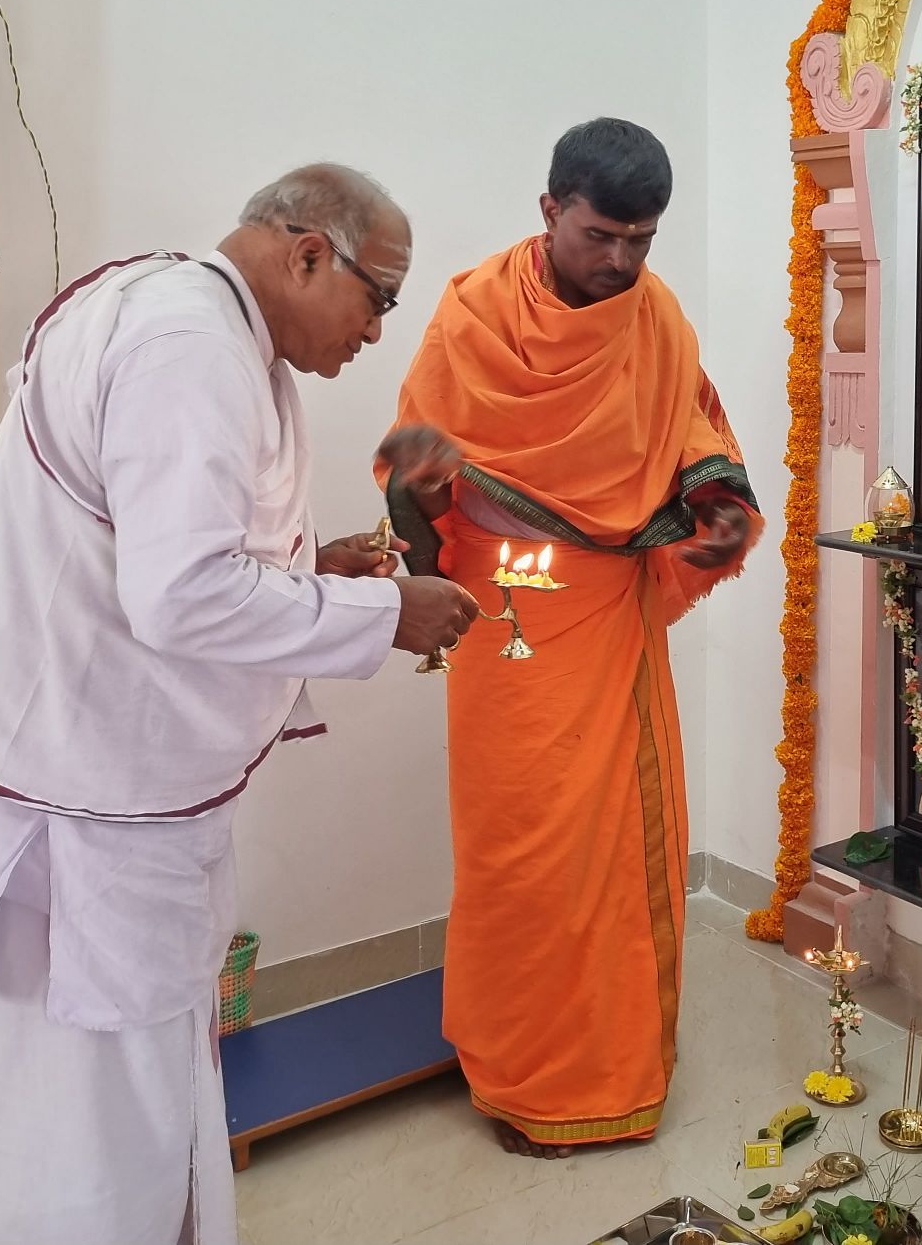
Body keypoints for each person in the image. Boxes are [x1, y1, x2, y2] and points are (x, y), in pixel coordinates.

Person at [0, 165, 480, 1245]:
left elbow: (149, 534)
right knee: (76, 1122)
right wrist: (383, 621)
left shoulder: (188, 313)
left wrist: (311, 563)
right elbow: (180, 592)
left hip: (64, 771)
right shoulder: (192, 348)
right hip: (65, 812)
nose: (379, 330)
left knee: (128, 1099)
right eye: (378, 296)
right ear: (304, 254)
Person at [378, 117, 759, 1158]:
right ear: (549, 211)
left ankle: (602, 1081)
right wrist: (415, 503)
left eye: (642, 239)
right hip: (501, 628)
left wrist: (711, 498)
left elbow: (691, 431)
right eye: (600, 235)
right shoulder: (470, 321)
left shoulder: (655, 317)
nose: (622, 261)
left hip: (606, 626)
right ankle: (512, 1069)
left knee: (611, 860)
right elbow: (415, 474)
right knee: (516, 858)